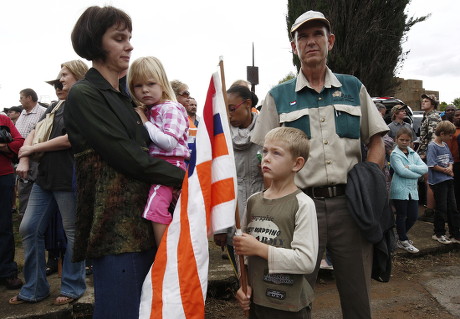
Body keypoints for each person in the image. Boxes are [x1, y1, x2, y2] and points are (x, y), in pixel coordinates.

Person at [251, 10, 389, 318]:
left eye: (317, 35)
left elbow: (377, 139)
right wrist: (273, 207)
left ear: (330, 41)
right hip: (299, 208)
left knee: (358, 297)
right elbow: (264, 156)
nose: (310, 41)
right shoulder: (278, 96)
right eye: (303, 36)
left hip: (350, 206)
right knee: (292, 294)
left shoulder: (354, 88)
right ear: (293, 46)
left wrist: (370, 176)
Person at [64, 6, 184, 319]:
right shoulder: (84, 93)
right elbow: (129, 158)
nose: (129, 45)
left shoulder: (125, 99)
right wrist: (185, 179)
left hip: (144, 223)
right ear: (95, 43)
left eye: (130, 38)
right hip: (115, 231)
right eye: (119, 38)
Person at [8, 60, 89, 306]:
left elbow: (71, 139)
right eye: (58, 76)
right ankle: (34, 289)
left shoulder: (83, 103)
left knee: (73, 233)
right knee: (28, 228)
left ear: (79, 76)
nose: (59, 80)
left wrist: (31, 150)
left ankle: (74, 286)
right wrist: (25, 155)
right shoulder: (54, 106)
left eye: (64, 75)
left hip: (69, 178)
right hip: (44, 178)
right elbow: (34, 129)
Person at [234, 126, 318, 318]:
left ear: (296, 164)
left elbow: (306, 261)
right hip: (257, 300)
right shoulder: (253, 201)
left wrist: (260, 249)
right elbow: (243, 250)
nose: (267, 158)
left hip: (289, 306)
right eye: (265, 151)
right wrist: (243, 283)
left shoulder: (303, 204)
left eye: (276, 153)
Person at [127, 56, 190, 247]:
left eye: (151, 83)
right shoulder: (150, 109)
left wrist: (145, 122)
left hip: (170, 165)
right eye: (138, 85)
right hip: (159, 166)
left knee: (155, 209)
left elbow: (168, 142)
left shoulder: (170, 108)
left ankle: (164, 254)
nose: (145, 89)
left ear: (162, 83)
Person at [213, 85, 264, 267]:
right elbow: (218, 184)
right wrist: (219, 228)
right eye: (225, 110)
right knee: (242, 275)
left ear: (247, 104)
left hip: (263, 213)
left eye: (232, 109)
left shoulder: (268, 130)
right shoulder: (221, 137)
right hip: (233, 216)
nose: (228, 115)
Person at [390, 127, 428, 253]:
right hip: (400, 190)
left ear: (411, 141)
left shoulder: (412, 153)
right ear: (396, 139)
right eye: (401, 139)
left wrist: (411, 166)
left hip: (412, 190)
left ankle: (399, 237)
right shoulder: (395, 155)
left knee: (413, 216)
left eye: (407, 140)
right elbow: (401, 171)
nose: (404, 142)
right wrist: (417, 174)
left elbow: (425, 168)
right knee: (401, 215)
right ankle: (403, 239)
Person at [0, 114, 24, 290]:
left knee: (4, 226)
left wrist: (4, 146)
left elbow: (19, 142)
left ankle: (7, 271)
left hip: (3, 177)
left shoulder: (3, 119)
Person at [427, 121, 460, 244]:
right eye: (450, 135)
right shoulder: (432, 146)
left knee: (453, 207)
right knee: (441, 208)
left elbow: (450, 160)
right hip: (438, 181)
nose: (451, 137)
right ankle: (438, 233)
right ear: (442, 133)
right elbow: (431, 164)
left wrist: (450, 168)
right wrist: (446, 171)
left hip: (448, 180)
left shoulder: (445, 145)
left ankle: (455, 234)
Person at [15, 89, 47, 217]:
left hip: (35, 157)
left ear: (29, 98)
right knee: (23, 185)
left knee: (33, 186)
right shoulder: (22, 113)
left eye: (21, 97)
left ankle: (34, 216)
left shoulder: (43, 112)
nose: (20, 100)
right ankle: (23, 214)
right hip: (20, 156)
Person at [418, 94, 442, 221]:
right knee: (428, 182)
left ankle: (430, 211)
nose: (423, 102)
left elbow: (433, 139)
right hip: (426, 153)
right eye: (423, 100)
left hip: (429, 155)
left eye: (426, 101)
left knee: (430, 182)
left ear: (432, 104)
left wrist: (426, 155)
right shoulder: (427, 116)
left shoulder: (433, 117)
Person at [171, 80, 197, 156]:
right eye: (185, 94)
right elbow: (170, 142)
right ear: (174, 95)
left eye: (188, 94)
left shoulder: (182, 115)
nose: (188, 97)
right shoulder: (172, 112)